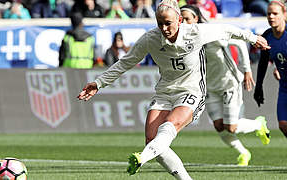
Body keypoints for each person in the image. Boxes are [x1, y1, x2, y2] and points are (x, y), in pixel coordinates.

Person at [77, 0, 269, 179]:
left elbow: (227, 30)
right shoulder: (151, 38)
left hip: (192, 91)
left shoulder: (195, 32)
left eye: (168, 23)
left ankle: (142, 158)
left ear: (179, 20)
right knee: (152, 140)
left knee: (170, 126)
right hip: (165, 92)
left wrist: (253, 38)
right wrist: (99, 83)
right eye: (160, 23)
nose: (164, 28)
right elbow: (125, 62)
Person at [180, 4, 271, 167]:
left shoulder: (211, 33)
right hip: (209, 87)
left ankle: (259, 124)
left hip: (229, 83)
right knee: (219, 126)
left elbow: (240, 43)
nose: (184, 23)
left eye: (187, 19)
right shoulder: (182, 41)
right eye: (182, 20)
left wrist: (247, 70)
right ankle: (243, 153)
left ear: (196, 19)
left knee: (231, 127)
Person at [254, 0, 287, 138]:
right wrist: (259, 86)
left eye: (275, 13)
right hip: (284, 87)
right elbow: (263, 63)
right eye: (269, 14)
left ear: (284, 14)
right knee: (283, 125)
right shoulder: (267, 36)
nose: (271, 17)